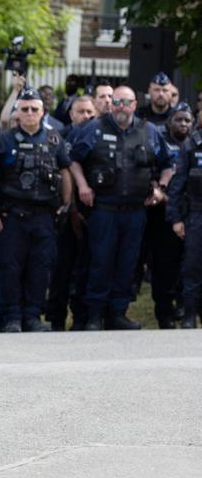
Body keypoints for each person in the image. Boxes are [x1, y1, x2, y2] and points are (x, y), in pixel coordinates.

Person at [68, 85, 173, 330]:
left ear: (135, 104)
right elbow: (73, 159)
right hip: (104, 209)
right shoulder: (94, 128)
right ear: (110, 105)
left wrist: (161, 188)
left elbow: (169, 163)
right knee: (100, 262)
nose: (121, 107)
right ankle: (94, 315)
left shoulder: (149, 131)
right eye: (116, 102)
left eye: (126, 102)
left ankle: (118, 313)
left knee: (128, 263)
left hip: (136, 211)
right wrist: (83, 185)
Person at [0, 89, 72, 332]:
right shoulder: (5, 140)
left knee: (40, 268)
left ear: (42, 112)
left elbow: (65, 170)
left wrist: (66, 204)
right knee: (11, 268)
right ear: (17, 112)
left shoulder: (54, 139)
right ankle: (12, 317)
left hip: (44, 216)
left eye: (34, 109)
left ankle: (33, 316)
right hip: (13, 215)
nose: (29, 113)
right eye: (24, 109)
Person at [45, 95, 98, 331]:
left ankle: (81, 318)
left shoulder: (97, 136)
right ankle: (55, 319)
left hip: (92, 213)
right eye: (81, 111)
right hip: (64, 213)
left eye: (89, 112)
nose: (86, 116)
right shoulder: (58, 137)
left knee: (85, 267)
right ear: (71, 114)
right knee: (60, 268)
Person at [147, 102, 193, 327]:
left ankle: (185, 310)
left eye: (187, 120)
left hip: (190, 216)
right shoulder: (159, 144)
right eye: (179, 119)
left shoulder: (195, 145)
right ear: (169, 121)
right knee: (164, 267)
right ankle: (164, 314)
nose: (183, 124)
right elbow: (150, 175)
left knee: (188, 266)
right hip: (163, 217)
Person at [166, 111, 202, 328]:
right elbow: (177, 186)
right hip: (196, 214)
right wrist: (176, 219)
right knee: (192, 267)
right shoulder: (191, 145)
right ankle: (189, 315)